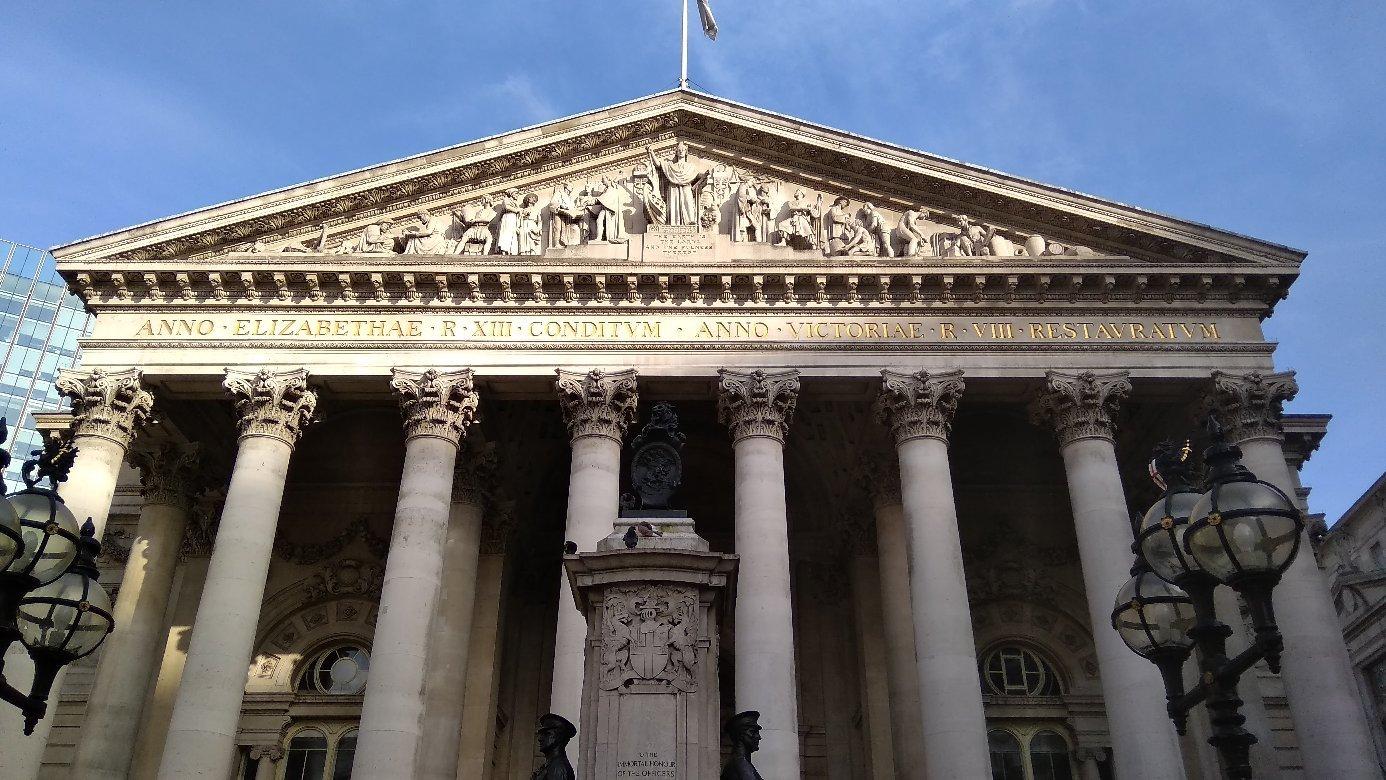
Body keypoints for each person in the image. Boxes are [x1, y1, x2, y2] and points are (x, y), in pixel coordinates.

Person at [646, 142, 707, 226]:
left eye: (683, 150)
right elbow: (658, 164)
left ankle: (690, 222)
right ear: (676, 152)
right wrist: (651, 152)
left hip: (686, 187)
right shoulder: (670, 166)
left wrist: (706, 175)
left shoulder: (690, 166)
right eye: (679, 150)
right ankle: (674, 223)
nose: (681, 151)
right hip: (673, 187)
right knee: (673, 206)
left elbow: (698, 175)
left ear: (686, 152)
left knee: (688, 204)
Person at [720, 711, 764, 780]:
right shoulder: (740, 764)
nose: (758, 737)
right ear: (740, 735)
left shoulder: (742, 763)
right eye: (753, 732)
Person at [532, 713, 576, 780]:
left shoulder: (558, 767)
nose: (540, 739)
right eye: (541, 734)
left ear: (559, 737)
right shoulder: (551, 765)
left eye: (547, 734)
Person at [548, 182, 586, 247]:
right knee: (558, 228)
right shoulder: (558, 193)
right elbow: (552, 203)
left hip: (567, 216)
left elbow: (572, 207)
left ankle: (565, 242)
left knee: (569, 229)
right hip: (558, 213)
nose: (569, 192)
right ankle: (556, 243)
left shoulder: (570, 197)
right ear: (566, 188)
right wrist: (561, 205)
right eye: (569, 190)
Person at [495, 189, 524, 255]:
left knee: (512, 233)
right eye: (516, 194)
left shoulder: (515, 202)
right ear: (512, 194)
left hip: (514, 218)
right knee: (507, 232)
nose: (517, 195)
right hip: (508, 217)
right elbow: (507, 207)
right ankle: (504, 249)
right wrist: (517, 210)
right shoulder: (506, 200)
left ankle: (511, 250)